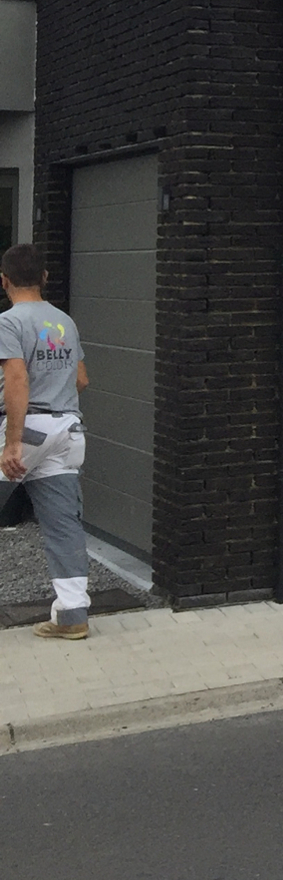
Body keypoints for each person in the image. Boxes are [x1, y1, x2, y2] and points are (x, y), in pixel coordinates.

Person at [0, 243, 93, 640]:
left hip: (28, 428)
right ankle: (72, 616)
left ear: (4, 281)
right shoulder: (64, 321)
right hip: (67, 431)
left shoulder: (9, 322)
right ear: (45, 278)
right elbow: (81, 379)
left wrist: (12, 443)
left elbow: (16, 381)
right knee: (61, 525)